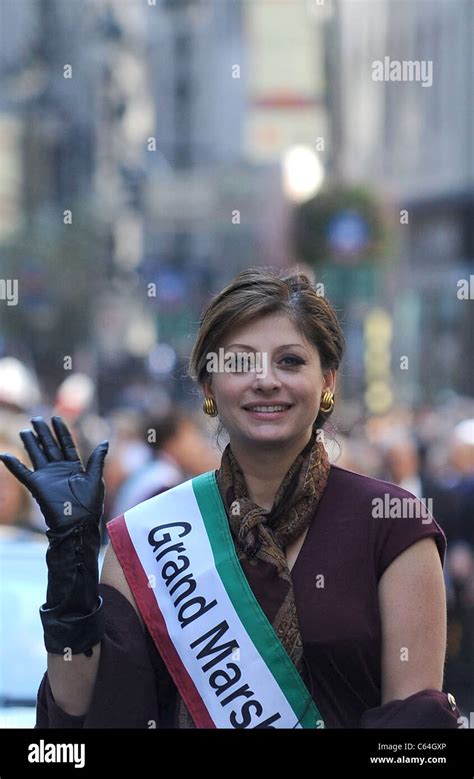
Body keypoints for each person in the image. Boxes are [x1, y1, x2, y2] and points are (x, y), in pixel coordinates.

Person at [0, 268, 462, 728]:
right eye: (240, 362)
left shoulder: (392, 526)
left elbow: (414, 736)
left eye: (290, 361)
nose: (265, 380)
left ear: (328, 382)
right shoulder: (147, 536)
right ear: (208, 388)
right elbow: (81, 710)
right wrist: (70, 576)